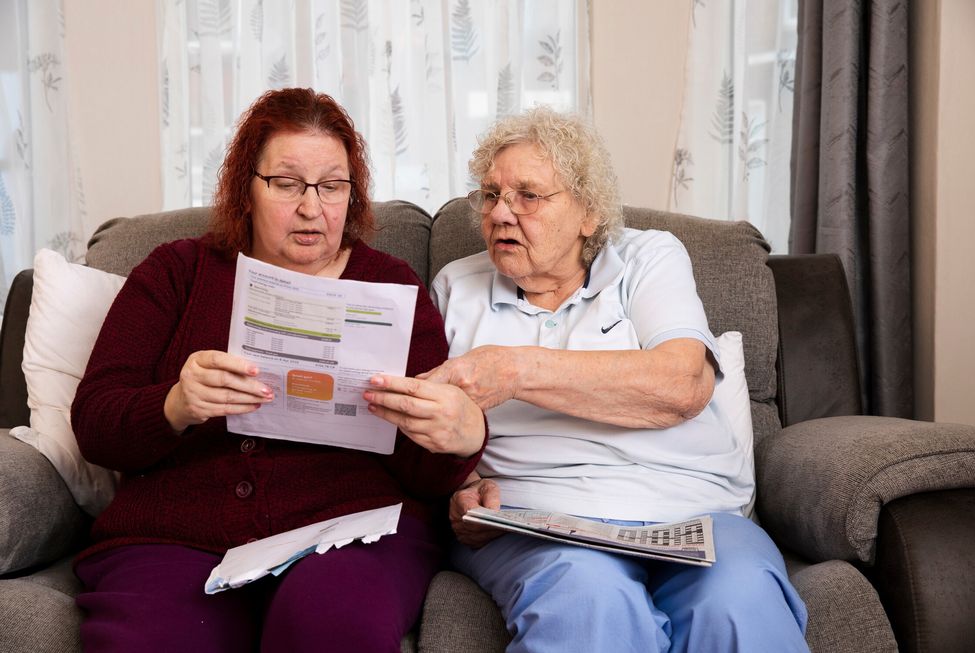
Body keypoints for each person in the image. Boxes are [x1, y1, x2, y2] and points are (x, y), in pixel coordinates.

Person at [70, 88, 487, 653]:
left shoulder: (393, 288)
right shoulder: (177, 271)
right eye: (287, 184)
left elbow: (424, 475)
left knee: (332, 626)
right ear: (248, 187)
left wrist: (459, 441)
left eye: (332, 186)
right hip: (177, 534)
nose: (311, 207)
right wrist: (173, 405)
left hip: (349, 531)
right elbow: (95, 423)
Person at [415, 106, 809, 652]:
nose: (501, 213)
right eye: (490, 195)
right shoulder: (456, 287)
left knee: (739, 601)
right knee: (589, 602)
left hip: (692, 510)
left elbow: (682, 385)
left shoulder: (648, 259)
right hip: (536, 518)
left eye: (528, 196)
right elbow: (431, 431)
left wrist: (514, 369)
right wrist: (460, 493)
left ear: (589, 213)